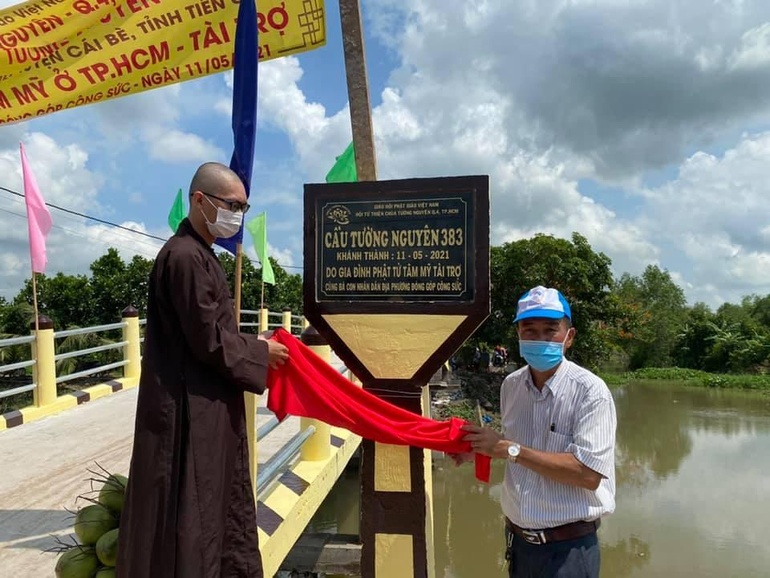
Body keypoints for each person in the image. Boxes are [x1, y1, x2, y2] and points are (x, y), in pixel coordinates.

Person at [117, 162, 289, 578]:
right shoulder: (185, 257)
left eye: (244, 208)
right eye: (232, 205)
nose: (238, 215)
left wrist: (253, 343)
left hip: (205, 402)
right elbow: (209, 339)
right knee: (192, 510)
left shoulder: (200, 254)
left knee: (213, 507)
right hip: (187, 410)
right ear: (199, 200)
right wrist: (260, 352)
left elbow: (212, 327)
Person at [461, 286, 616, 578]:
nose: (540, 338)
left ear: (569, 337)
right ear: (518, 334)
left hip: (569, 551)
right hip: (520, 545)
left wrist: (507, 449)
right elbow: (520, 451)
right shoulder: (511, 386)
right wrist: (482, 449)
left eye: (550, 330)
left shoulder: (590, 392)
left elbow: (588, 474)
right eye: (530, 330)